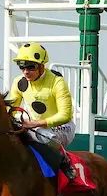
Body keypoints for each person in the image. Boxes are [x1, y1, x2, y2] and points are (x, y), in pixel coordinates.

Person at [5, 42, 78, 180]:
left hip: (63, 127)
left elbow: (65, 115)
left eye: (31, 67)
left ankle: (64, 161)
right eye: (22, 66)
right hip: (34, 126)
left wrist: (34, 124)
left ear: (42, 66)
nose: (26, 71)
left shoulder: (57, 82)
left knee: (42, 134)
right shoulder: (19, 82)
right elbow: (11, 110)